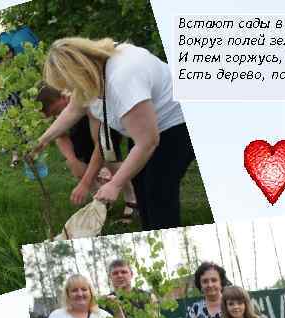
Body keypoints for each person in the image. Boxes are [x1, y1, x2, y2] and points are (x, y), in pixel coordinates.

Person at [33, 37, 196, 230]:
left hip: (176, 124)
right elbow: (73, 110)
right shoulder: (94, 71)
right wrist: (42, 141)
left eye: (69, 84)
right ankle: (150, 227)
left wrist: (115, 184)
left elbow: (147, 142)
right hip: (146, 127)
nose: (68, 92)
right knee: (141, 181)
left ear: (78, 70)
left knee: (158, 189)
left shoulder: (123, 77)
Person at [37, 86, 137, 221]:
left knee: (110, 159)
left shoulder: (87, 100)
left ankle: (132, 197)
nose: (57, 115)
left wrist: (84, 183)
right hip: (81, 130)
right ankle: (101, 200)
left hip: (103, 127)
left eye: (56, 111)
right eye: (52, 115)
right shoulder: (59, 113)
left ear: (63, 97)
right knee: (77, 165)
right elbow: (60, 135)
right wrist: (72, 160)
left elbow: (101, 147)